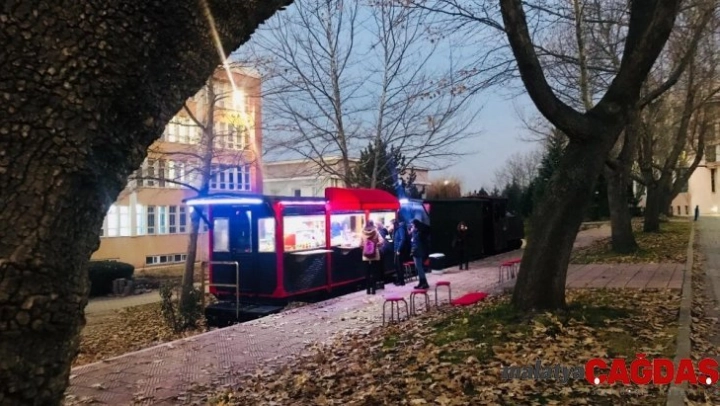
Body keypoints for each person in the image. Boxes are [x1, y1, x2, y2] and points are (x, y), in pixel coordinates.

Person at [361, 219, 385, 294]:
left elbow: (360, 244)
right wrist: (376, 245)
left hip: (365, 256)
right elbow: (382, 241)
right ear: (372, 224)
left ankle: (368, 290)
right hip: (375, 254)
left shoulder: (363, 233)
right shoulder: (376, 232)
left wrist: (364, 247)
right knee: (374, 272)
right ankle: (373, 290)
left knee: (367, 273)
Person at [410, 219, 430, 289]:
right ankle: (421, 282)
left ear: (415, 225)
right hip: (416, 251)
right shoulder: (416, 232)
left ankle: (424, 282)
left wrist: (413, 233)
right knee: (418, 268)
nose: (411, 227)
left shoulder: (419, 232)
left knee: (419, 268)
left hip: (418, 252)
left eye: (412, 225)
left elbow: (416, 241)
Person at [391, 218, 408, 286]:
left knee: (399, 265)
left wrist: (399, 249)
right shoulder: (396, 230)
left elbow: (402, 239)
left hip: (399, 250)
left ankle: (401, 281)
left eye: (391, 224)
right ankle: (399, 280)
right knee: (396, 265)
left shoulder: (400, 229)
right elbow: (393, 239)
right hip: (396, 249)